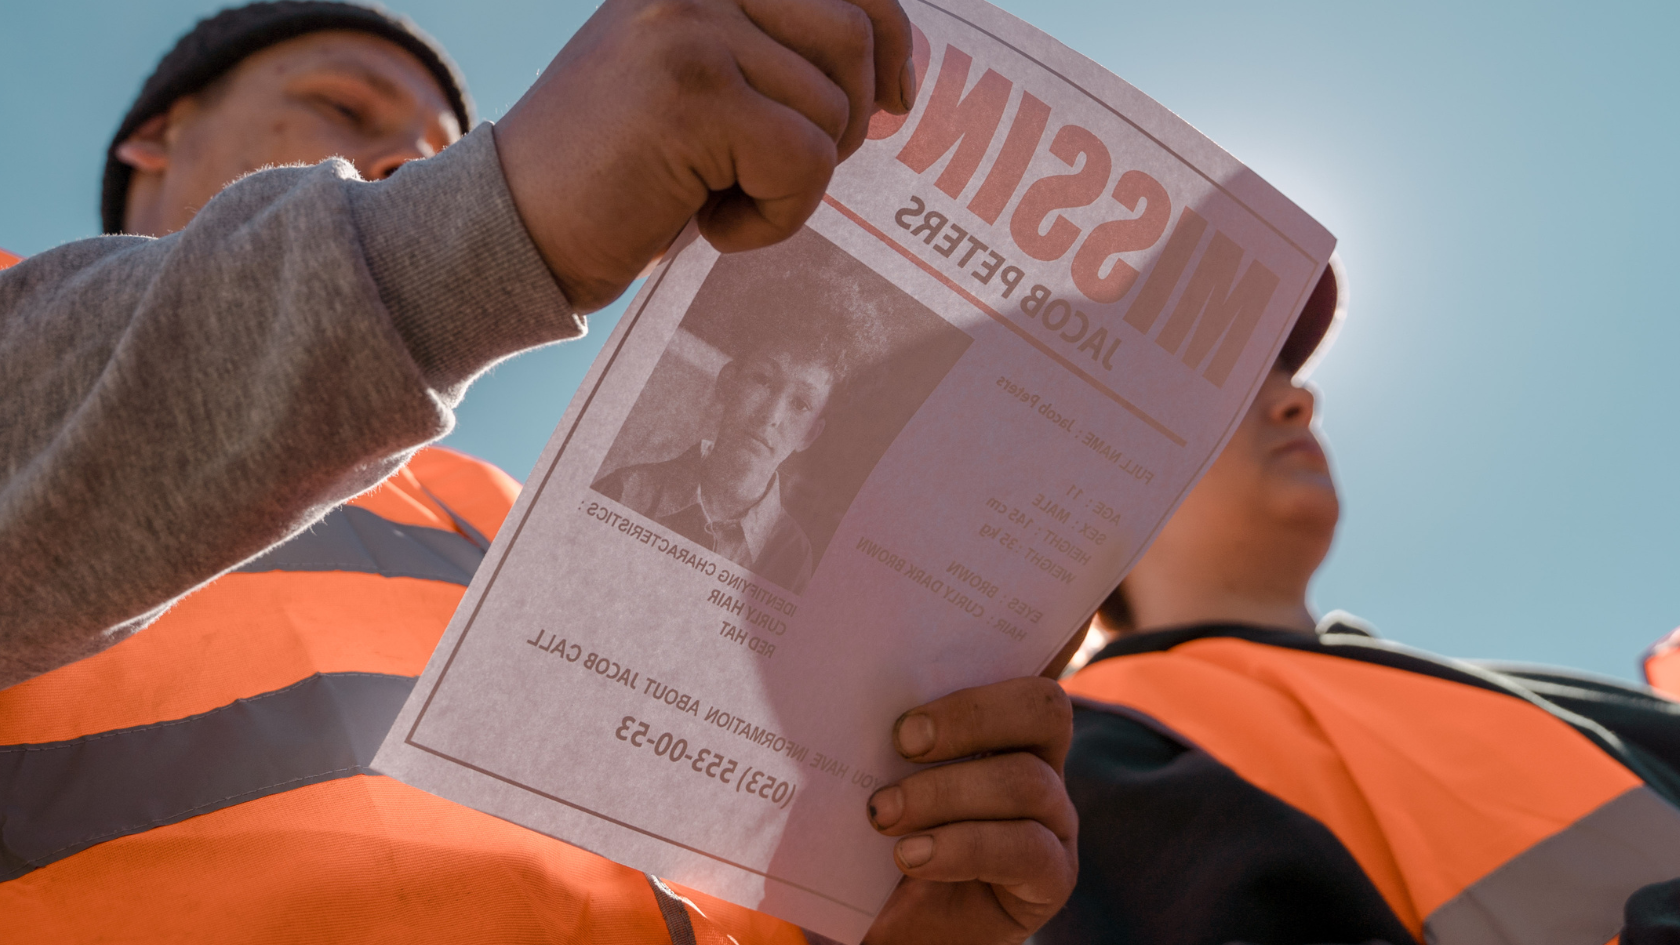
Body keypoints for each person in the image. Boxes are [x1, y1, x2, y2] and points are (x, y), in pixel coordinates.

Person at [0, 3, 1077, 942]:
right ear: (157, 134)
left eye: (441, 149)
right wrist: (492, 217)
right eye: (346, 108)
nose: (408, 163)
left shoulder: (499, 507)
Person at [1041, 264, 1680, 945]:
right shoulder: (1078, 753)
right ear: (1094, 476)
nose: (1297, 399)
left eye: (1280, 371)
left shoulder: (1506, 695)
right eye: (1215, 385)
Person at [594, 315, 865, 593]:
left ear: (809, 435)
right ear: (728, 384)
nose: (770, 416)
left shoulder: (792, 556)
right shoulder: (627, 491)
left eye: (800, 404)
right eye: (763, 380)